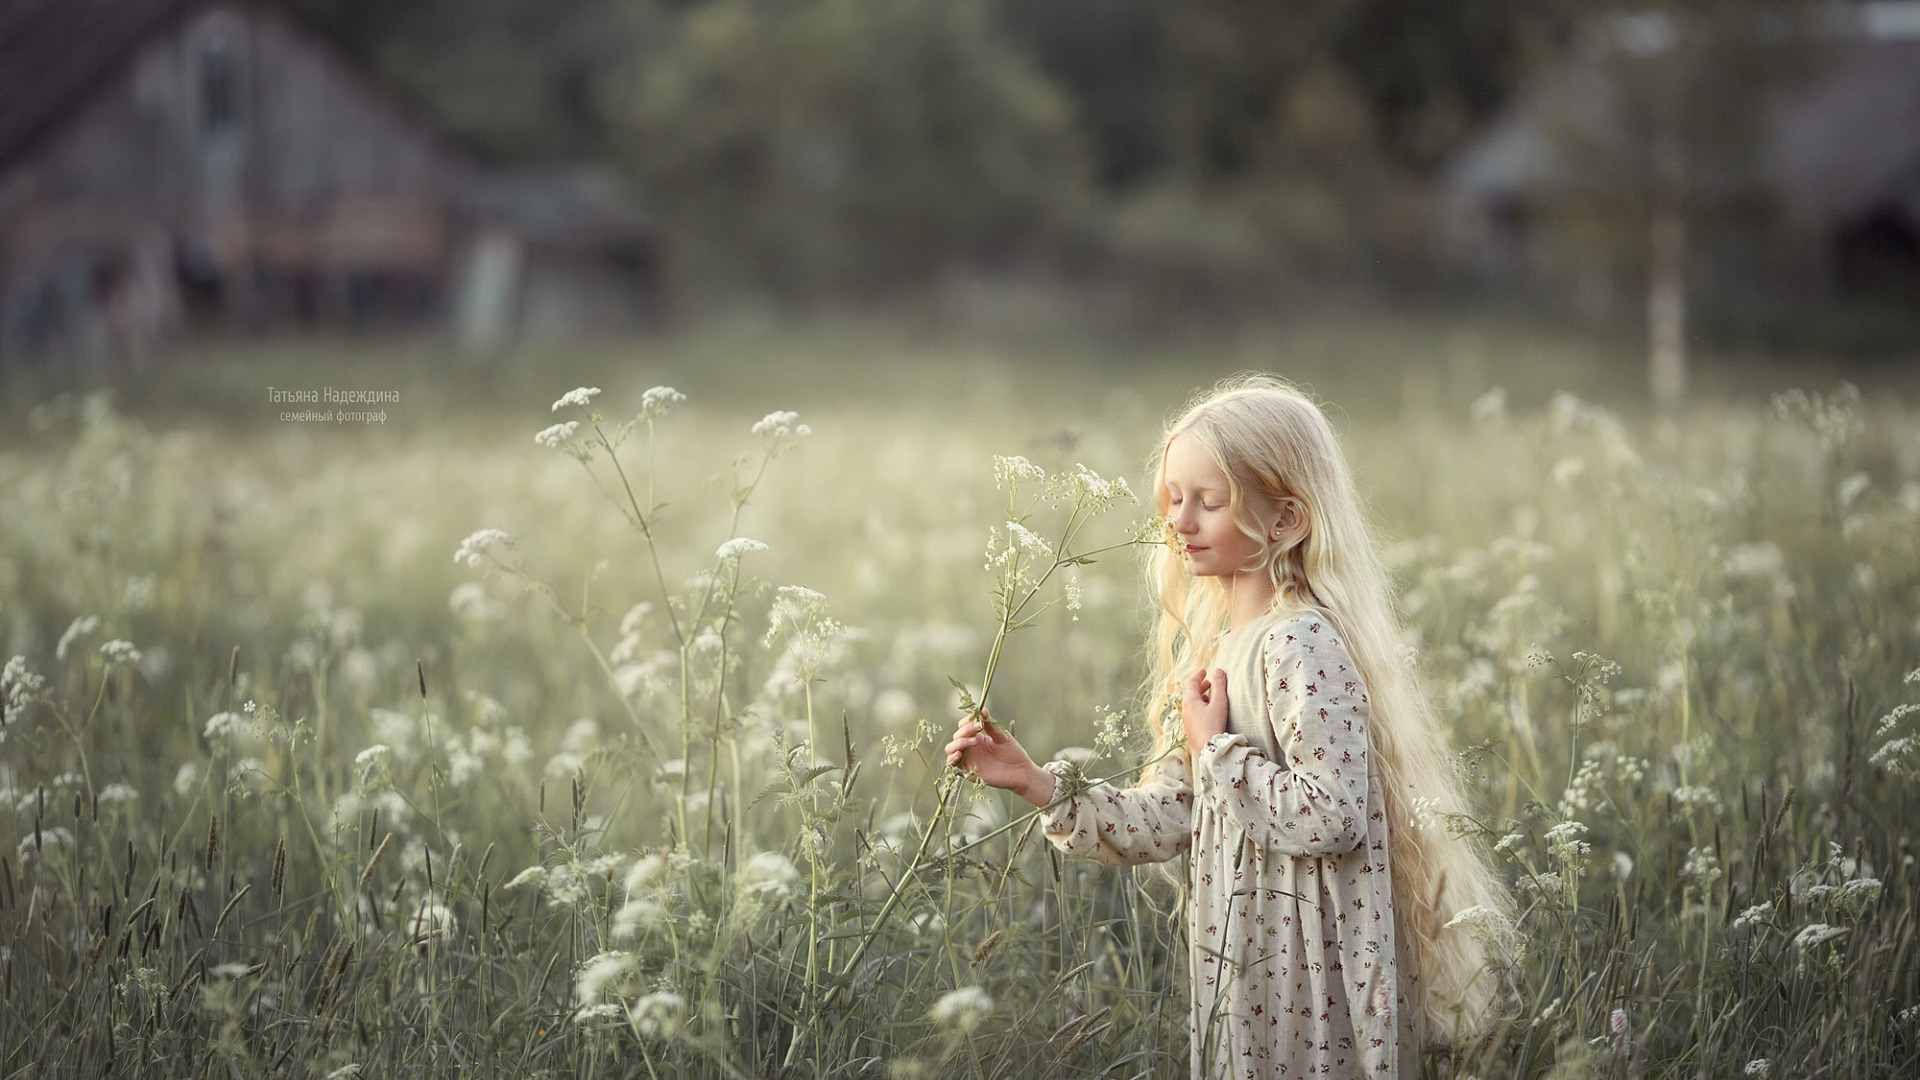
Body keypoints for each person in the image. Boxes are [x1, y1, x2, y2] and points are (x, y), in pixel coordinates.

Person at [945, 375, 1511, 1078]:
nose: (1179, 521)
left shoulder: (1302, 644)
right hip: (1248, 974)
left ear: (1285, 521)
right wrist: (1036, 783)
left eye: (1208, 503)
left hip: (1309, 983)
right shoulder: (1218, 651)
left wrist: (1217, 748)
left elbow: (1331, 814)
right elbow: (1174, 816)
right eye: (1173, 500)